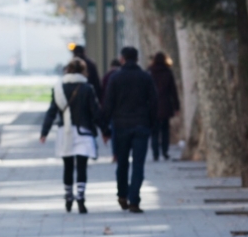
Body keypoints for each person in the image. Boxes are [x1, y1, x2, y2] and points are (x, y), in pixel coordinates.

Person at [41, 58, 102, 213]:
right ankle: (80, 198)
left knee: (68, 167)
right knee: (82, 166)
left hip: (64, 132)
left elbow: (52, 112)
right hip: (83, 133)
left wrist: (44, 132)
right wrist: (105, 130)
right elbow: (95, 111)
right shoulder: (87, 88)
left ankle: (68, 197)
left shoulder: (59, 88)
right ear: (83, 71)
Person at [103, 46, 158, 212]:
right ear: (137, 59)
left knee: (122, 163)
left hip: (121, 126)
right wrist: (152, 124)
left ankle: (122, 195)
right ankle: (134, 199)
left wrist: (105, 129)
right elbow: (154, 103)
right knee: (138, 165)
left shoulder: (115, 78)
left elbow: (108, 104)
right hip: (141, 125)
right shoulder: (145, 77)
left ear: (122, 59)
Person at [148, 51, 180, 162]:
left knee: (154, 131)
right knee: (165, 130)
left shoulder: (150, 72)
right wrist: (177, 107)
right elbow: (173, 91)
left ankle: (155, 153)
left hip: (153, 106)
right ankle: (165, 151)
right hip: (165, 104)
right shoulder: (168, 72)